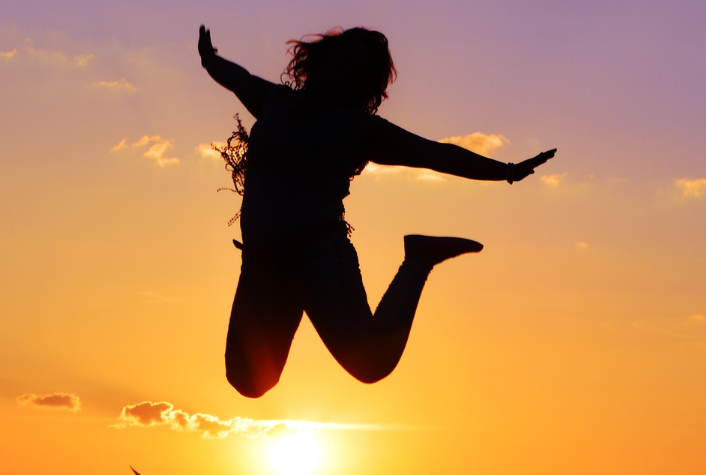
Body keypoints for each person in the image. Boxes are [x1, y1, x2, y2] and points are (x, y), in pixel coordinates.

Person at [199, 25, 556, 398]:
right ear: (323, 58)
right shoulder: (276, 104)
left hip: (317, 257)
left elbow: (435, 154)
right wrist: (211, 60)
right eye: (346, 57)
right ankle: (305, 298)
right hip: (261, 263)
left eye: (360, 67)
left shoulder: (357, 129)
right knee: (249, 380)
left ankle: (419, 258)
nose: (348, 68)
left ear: (364, 84)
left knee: (370, 362)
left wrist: (508, 172)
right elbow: (239, 79)